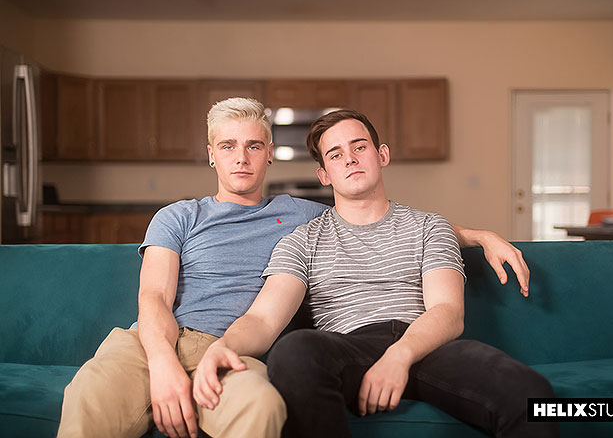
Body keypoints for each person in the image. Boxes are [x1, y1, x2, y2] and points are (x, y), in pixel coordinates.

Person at [58, 97, 530, 438]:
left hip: (250, 352)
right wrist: (167, 361)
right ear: (211, 154)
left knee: (531, 398)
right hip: (164, 341)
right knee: (89, 399)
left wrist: (479, 235)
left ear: (269, 152)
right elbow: (160, 299)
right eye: (227, 146)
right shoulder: (187, 217)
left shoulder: (302, 216)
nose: (241, 157)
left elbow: (380, 220)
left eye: (253, 145)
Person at [193, 109, 557, 438]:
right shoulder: (302, 240)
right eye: (336, 154)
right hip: (347, 349)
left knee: (532, 395)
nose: (350, 159)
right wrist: (223, 347)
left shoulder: (430, 227)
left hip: (426, 345)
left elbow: (447, 311)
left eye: (359, 147)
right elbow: (262, 318)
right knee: (294, 352)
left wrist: (399, 356)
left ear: (382, 155)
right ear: (324, 174)